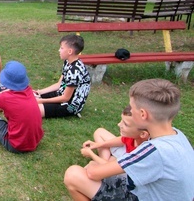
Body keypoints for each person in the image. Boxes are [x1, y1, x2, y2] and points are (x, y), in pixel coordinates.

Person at [64, 79, 194, 201]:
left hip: (145, 196)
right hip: (156, 192)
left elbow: (93, 174)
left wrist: (95, 160)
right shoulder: (177, 135)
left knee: (73, 174)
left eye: (132, 108)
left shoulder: (155, 150)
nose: (130, 110)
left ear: (143, 114)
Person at [34, 34, 91, 118]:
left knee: (33, 109)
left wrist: (41, 101)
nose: (59, 50)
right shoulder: (68, 62)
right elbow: (59, 84)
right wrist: (39, 92)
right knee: (31, 96)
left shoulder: (75, 71)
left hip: (69, 105)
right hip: (60, 94)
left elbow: (65, 98)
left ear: (70, 51)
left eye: (61, 48)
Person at [80, 105, 149, 164]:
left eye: (125, 124)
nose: (119, 124)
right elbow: (122, 140)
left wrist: (91, 154)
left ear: (143, 134)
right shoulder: (134, 135)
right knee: (99, 132)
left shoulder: (141, 153)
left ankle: (102, 163)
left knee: (92, 166)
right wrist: (98, 145)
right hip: (125, 152)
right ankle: (103, 161)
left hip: (126, 166)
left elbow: (111, 167)